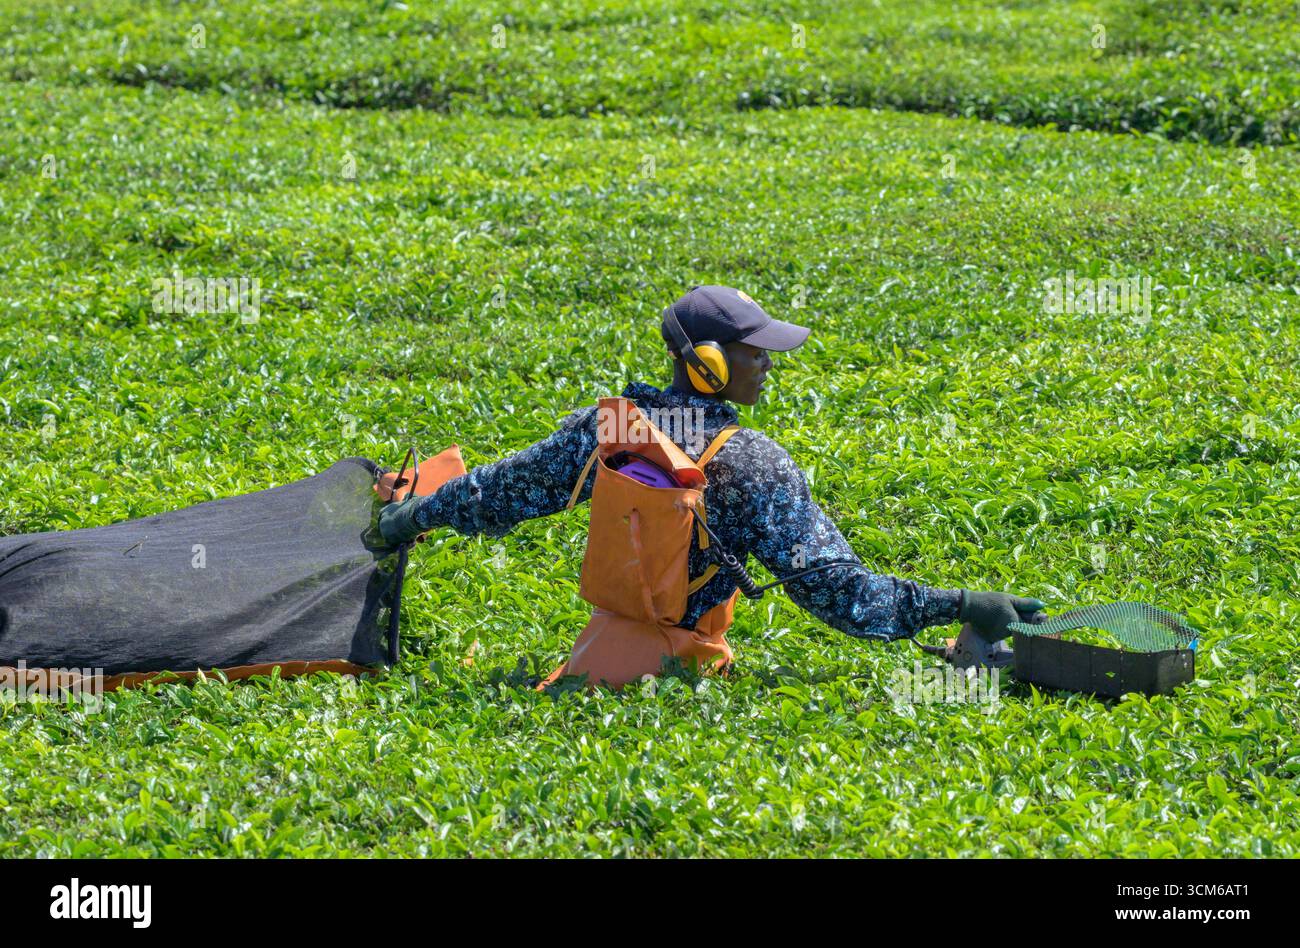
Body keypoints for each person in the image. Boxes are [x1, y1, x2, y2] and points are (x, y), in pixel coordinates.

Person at [379, 285, 1043, 676]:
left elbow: (498, 493)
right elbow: (843, 596)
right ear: (707, 362)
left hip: (600, 657)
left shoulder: (611, 428)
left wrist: (411, 517)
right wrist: (958, 603)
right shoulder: (754, 461)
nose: (768, 366)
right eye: (756, 352)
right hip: (684, 671)